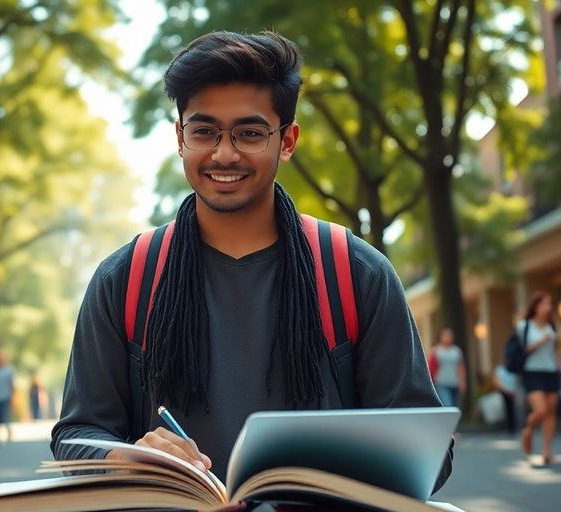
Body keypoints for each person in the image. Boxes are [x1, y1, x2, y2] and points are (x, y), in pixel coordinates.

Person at [51, 31, 453, 492]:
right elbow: (75, 436)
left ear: (287, 140)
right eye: (204, 131)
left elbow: (431, 452)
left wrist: (332, 467)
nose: (224, 153)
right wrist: (129, 456)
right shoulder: (126, 278)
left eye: (249, 133)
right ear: (180, 137)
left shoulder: (356, 272)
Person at [519, 292, 561, 465]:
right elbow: (523, 349)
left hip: (551, 372)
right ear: (535, 306)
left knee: (550, 413)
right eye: (544, 304)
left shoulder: (552, 326)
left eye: (550, 304)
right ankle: (528, 429)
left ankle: (546, 451)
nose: (548, 308)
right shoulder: (524, 326)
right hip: (532, 371)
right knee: (541, 410)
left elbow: (556, 349)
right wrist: (541, 341)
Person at [430, 328, 465, 408]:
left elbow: (461, 368)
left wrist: (462, 383)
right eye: (446, 335)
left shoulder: (456, 351)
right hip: (441, 382)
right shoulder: (435, 350)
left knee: (455, 406)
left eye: (450, 335)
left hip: (455, 383)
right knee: (447, 405)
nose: (448, 337)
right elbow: (430, 366)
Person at [0, 352, 15, 445]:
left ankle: (9, 432)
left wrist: (12, 397)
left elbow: (12, 386)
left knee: (4, 416)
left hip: (5, 397)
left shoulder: (8, 371)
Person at [493, 364, 519, 435]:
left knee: (512, 410)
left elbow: (516, 380)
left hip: (512, 392)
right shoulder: (500, 369)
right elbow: (497, 380)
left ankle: (513, 427)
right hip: (504, 392)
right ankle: (508, 427)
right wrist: (504, 390)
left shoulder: (512, 368)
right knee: (506, 410)